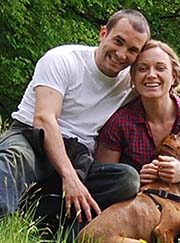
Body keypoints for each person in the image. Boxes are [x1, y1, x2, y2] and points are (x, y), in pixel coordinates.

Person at [0, 9, 150, 236]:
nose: (121, 54)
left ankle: (40, 219)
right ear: (103, 33)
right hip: (32, 139)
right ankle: (4, 222)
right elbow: (44, 119)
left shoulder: (130, 84)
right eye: (118, 41)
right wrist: (69, 177)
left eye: (132, 51)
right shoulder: (63, 59)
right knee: (14, 158)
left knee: (127, 180)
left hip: (79, 157)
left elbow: (165, 101)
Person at [95, 39, 180, 243]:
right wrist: (138, 181)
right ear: (133, 78)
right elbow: (103, 188)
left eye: (160, 68)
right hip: (138, 221)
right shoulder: (120, 122)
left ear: (174, 76)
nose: (151, 75)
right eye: (142, 69)